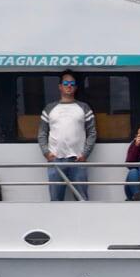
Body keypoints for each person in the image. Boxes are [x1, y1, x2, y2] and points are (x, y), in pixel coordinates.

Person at [38, 71, 96, 200]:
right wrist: (46, 153)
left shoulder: (84, 107)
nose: (69, 86)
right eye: (66, 83)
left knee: (82, 200)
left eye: (72, 83)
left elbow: (92, 133)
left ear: (75, 87)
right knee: (55, 200)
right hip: (55, 160)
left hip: (78, 160)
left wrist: (85, 154)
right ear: (60, 86)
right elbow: (42, 133)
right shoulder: (49, 108)